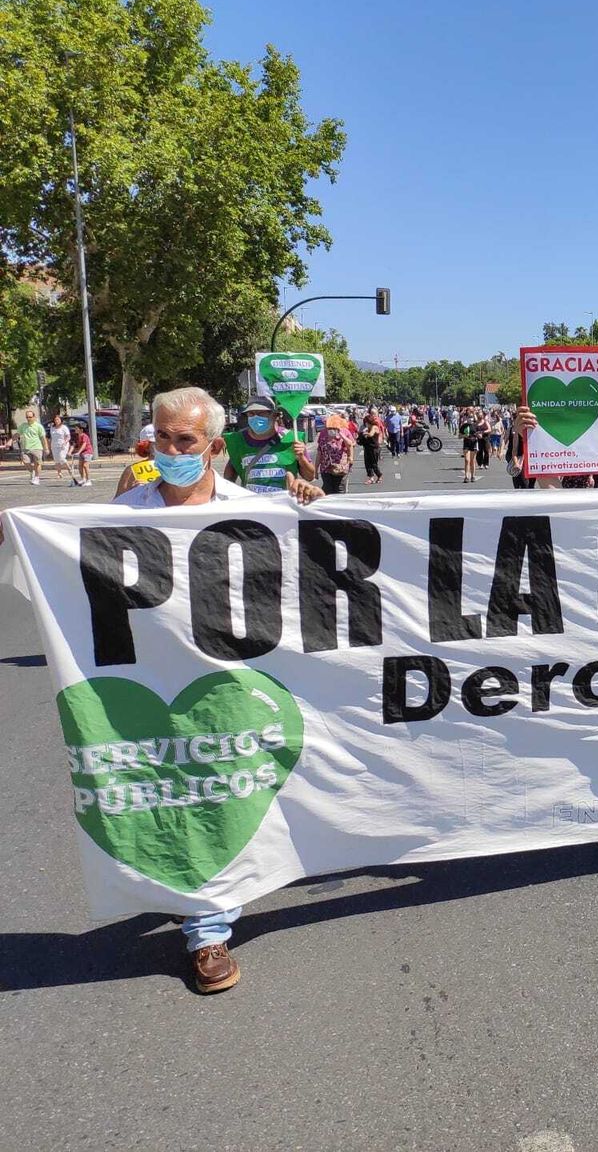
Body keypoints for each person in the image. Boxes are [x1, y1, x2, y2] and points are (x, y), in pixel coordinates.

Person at [115, 386, 321, 992]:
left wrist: (308, 505)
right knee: (169, 791)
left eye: (186, 440)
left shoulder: (250, 508)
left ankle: (207, 929)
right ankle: (195, 906)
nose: (172, 450)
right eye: (162, 437)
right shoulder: (124, 509)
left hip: (227, 680)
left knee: (218, 790)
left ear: (212, 446)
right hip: (151, 679)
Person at [221, 397, 316, 494]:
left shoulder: (292, 439)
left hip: (284, 502)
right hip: (252, 501)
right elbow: (229, 478)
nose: (256, 417)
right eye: (251, 414)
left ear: (275, 415)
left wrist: (302, 458)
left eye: (261, 413)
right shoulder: (237, 441)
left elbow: (310, 476)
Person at [315, 412, 356, 494]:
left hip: (340, 467)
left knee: (339, 489)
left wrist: (340, 434)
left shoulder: (345, 431)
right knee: (328, 490)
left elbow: (351, 444)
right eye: (329, 427)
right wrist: (315, 469)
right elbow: (319, 452)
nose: (331, 429)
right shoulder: (323, 433)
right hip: (326, 467)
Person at [17, 408, 46, 486]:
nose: (28, 418)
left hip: (37, 447)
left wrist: (46, 448)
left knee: (38, 463)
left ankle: (37, 478)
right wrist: (10, 441)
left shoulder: (38, 426)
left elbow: (43, 438)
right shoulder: (23, 426)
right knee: (25, 462)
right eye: (27, 417)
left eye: (30, 417)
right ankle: (32, 471)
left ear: (34, 417)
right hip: (26, 448)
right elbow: (17, 434)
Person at [358, 410, 385, 485]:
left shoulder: (374, 427)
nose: (365, 424)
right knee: (367, 463)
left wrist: (365, 433)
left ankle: (379, 475)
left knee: (374, 464)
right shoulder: (368, 428)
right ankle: (371, 478)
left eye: (366, 423)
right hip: (367, 447)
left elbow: (370, 434)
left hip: (374, 448)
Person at [69, 420, 95, 487]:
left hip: (88, 452)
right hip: (82, 453)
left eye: (76, 428)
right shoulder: (77, 437)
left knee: (85, 466)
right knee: (80, 466)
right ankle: (83, 479)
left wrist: (78, 452)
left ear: (81, 430)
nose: (75, 429)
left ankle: (88, 480)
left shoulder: (84, 436)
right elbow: (74, 445)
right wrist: (70, 452)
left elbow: (84, 444)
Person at [48, 412, 72, 480]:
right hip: (54, 445)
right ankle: (59, 473)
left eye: (58, 419)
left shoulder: (64, 427)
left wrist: (65, 442)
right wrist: (49, 446)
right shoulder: (52, 428)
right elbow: (51, 437)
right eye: (55, 420)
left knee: (61, 458)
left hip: (63, 445)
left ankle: (69, 468)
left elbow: (68, 436)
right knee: (57, 460)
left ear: (61, 420)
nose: (56, 421)